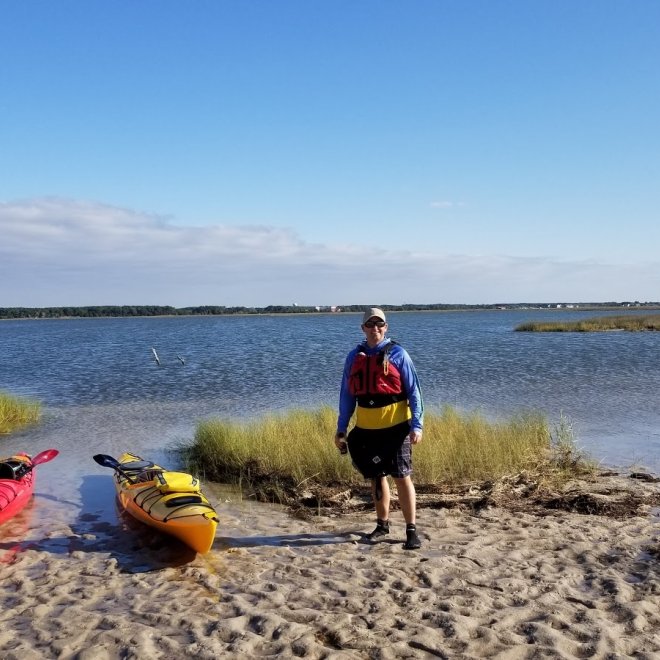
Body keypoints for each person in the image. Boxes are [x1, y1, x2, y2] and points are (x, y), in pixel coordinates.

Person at [335, 307, 424, 550]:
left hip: (396, 429)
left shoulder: (398, 354)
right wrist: (341, 428)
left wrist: (417, 424)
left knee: (402, 476)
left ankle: (411, 530)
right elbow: (346, 395)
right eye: (370, 324)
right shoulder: (355, 357)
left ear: (386, 327)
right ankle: (382, 525)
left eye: (380, 324)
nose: (375, 328)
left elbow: (414, 392)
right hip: (367, 429)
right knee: (376, 477)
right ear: (362, 328)